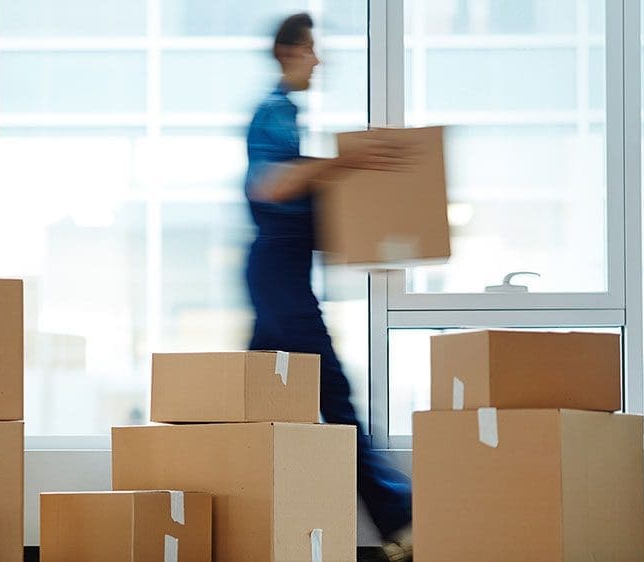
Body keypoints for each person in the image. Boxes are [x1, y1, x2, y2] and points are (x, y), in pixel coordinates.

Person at [243, 13, 414, 562]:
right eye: (312, 49)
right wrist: (348, 160)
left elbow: (298, 200)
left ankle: (238, 511)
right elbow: (272, 185)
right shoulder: (274, 112)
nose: (320, 60)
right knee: (334, 396)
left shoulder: (288, 116)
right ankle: (400, 522)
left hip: (283, 276)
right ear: (289, 52)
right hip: (279, 280)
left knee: (254, 403)